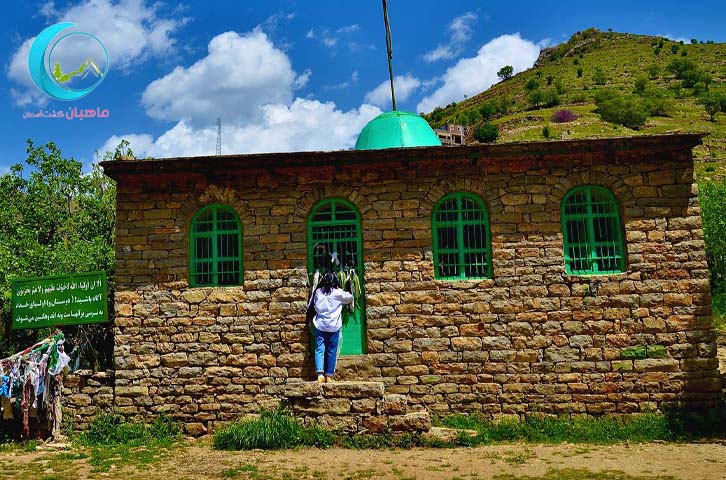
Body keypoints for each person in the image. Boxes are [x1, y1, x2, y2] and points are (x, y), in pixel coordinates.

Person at [312, 272, 354, 383]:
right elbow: (350, 298)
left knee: (319, 349)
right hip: (333, 326)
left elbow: (314, 304)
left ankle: (320, 374)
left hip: (320, 325)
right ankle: (329, 376)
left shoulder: (318, 292)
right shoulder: (338, 293)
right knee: (332, 350)